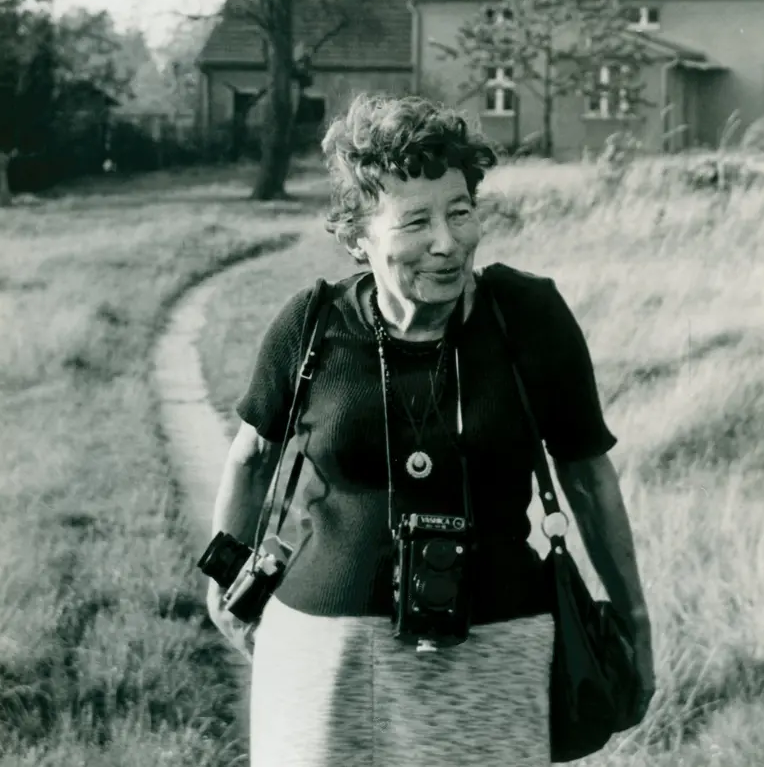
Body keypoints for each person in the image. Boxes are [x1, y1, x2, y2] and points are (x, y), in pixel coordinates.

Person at [206, 93, 655, 767]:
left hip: (499, 646)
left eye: (461, 211)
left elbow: (589, 478)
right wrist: (223, 589)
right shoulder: (311, 325)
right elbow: (250, 460)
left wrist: (635, 622)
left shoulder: (528, 318)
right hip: (323, 651)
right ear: (358, 236)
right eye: (415, 221)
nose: (447, 243)